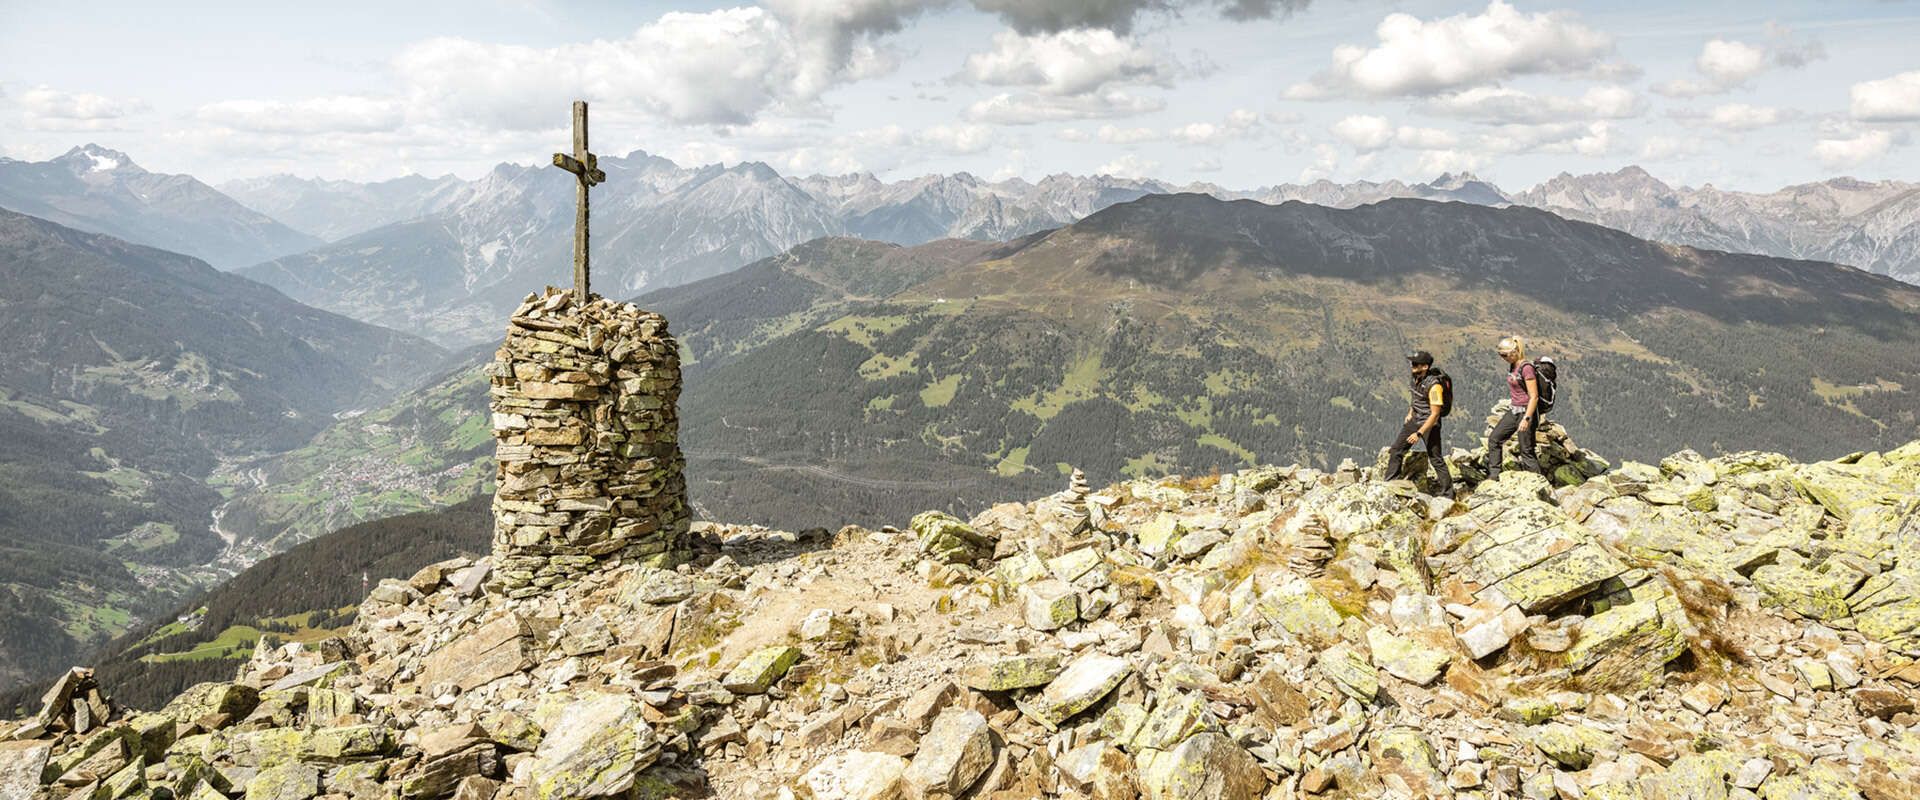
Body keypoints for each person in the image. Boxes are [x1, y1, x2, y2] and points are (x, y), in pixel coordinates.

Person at [1384, 350, 1452, 496]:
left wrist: (1419, 432)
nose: (1412, 366)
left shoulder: (1434, 387)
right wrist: (1410, 412)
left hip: (1429, 425)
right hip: (1415, 419)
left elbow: (1435, 414)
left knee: (1436, 459)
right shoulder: (1415, 378)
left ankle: (1448, 493)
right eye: (1412, 363)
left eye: (1416, 364)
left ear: (1425, 367)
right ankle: (1390, 484)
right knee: (1396, 450)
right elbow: (1416, 397)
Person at [1485, 336, 1542, 480]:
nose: (1502, 358)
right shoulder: (1513, 365)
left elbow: (1534, 396)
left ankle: (1537, 483)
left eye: (1504, 355)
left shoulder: (1526, 368)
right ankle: (1494, 476)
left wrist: (1527, 419)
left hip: (1526, 412)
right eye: (1500, 355)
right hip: (1514, 410)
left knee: (1526, 450)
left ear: (1514, 352)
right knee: (1494, 439)